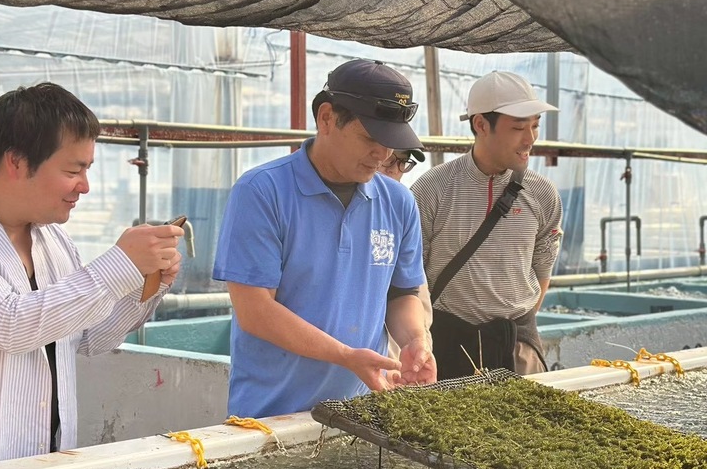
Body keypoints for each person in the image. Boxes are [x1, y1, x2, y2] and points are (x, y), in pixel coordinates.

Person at [0, 82, 185, 469]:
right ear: (16, 161)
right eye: (74, 170)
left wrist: (147, 281)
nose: (84, 187)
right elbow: (9, 324)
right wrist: (121, 263)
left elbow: (88, 337)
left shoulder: (53, 237)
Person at [212, 59, 436, 418]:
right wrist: (345, 356)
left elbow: (402, 293)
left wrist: (415, 340)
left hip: (363, 412)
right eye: (370, 138)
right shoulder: (262, 192)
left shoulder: (398, 202)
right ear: (327, 118)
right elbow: (255, 311)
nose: (382, 154)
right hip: (273, 417)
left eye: (391, 143)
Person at [411, 70, 563, 379]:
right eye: (518, 127)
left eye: (535, 125)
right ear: (480, 124)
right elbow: (412, 280)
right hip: (447, 346)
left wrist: (516, 331)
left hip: (518, 346)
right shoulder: (432, 189)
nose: (530, 138)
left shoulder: (543, 194)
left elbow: (542, 271)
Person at [377, 149, 433, 360]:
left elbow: (410, 295)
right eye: (388, 159)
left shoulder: (403, 206)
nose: (394, 169)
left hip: (400, 360)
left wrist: (419, 346)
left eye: (402, 161)